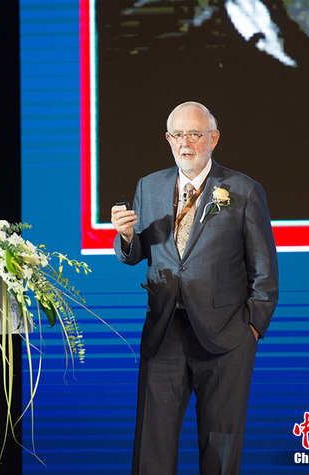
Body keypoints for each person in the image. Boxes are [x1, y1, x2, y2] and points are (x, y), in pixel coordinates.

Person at [111, 101, 278, 474]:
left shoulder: (243, 190)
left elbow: (264, 273)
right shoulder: (149, 186)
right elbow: (138, 251)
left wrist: (249, 330)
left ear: (213, 138)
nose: (185, 143)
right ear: (168, 139)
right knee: (151, 451)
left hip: (225, 338)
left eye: (194, 134)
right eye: (177, 135)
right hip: (164, 331)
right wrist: (125, 236)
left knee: (220, 453)